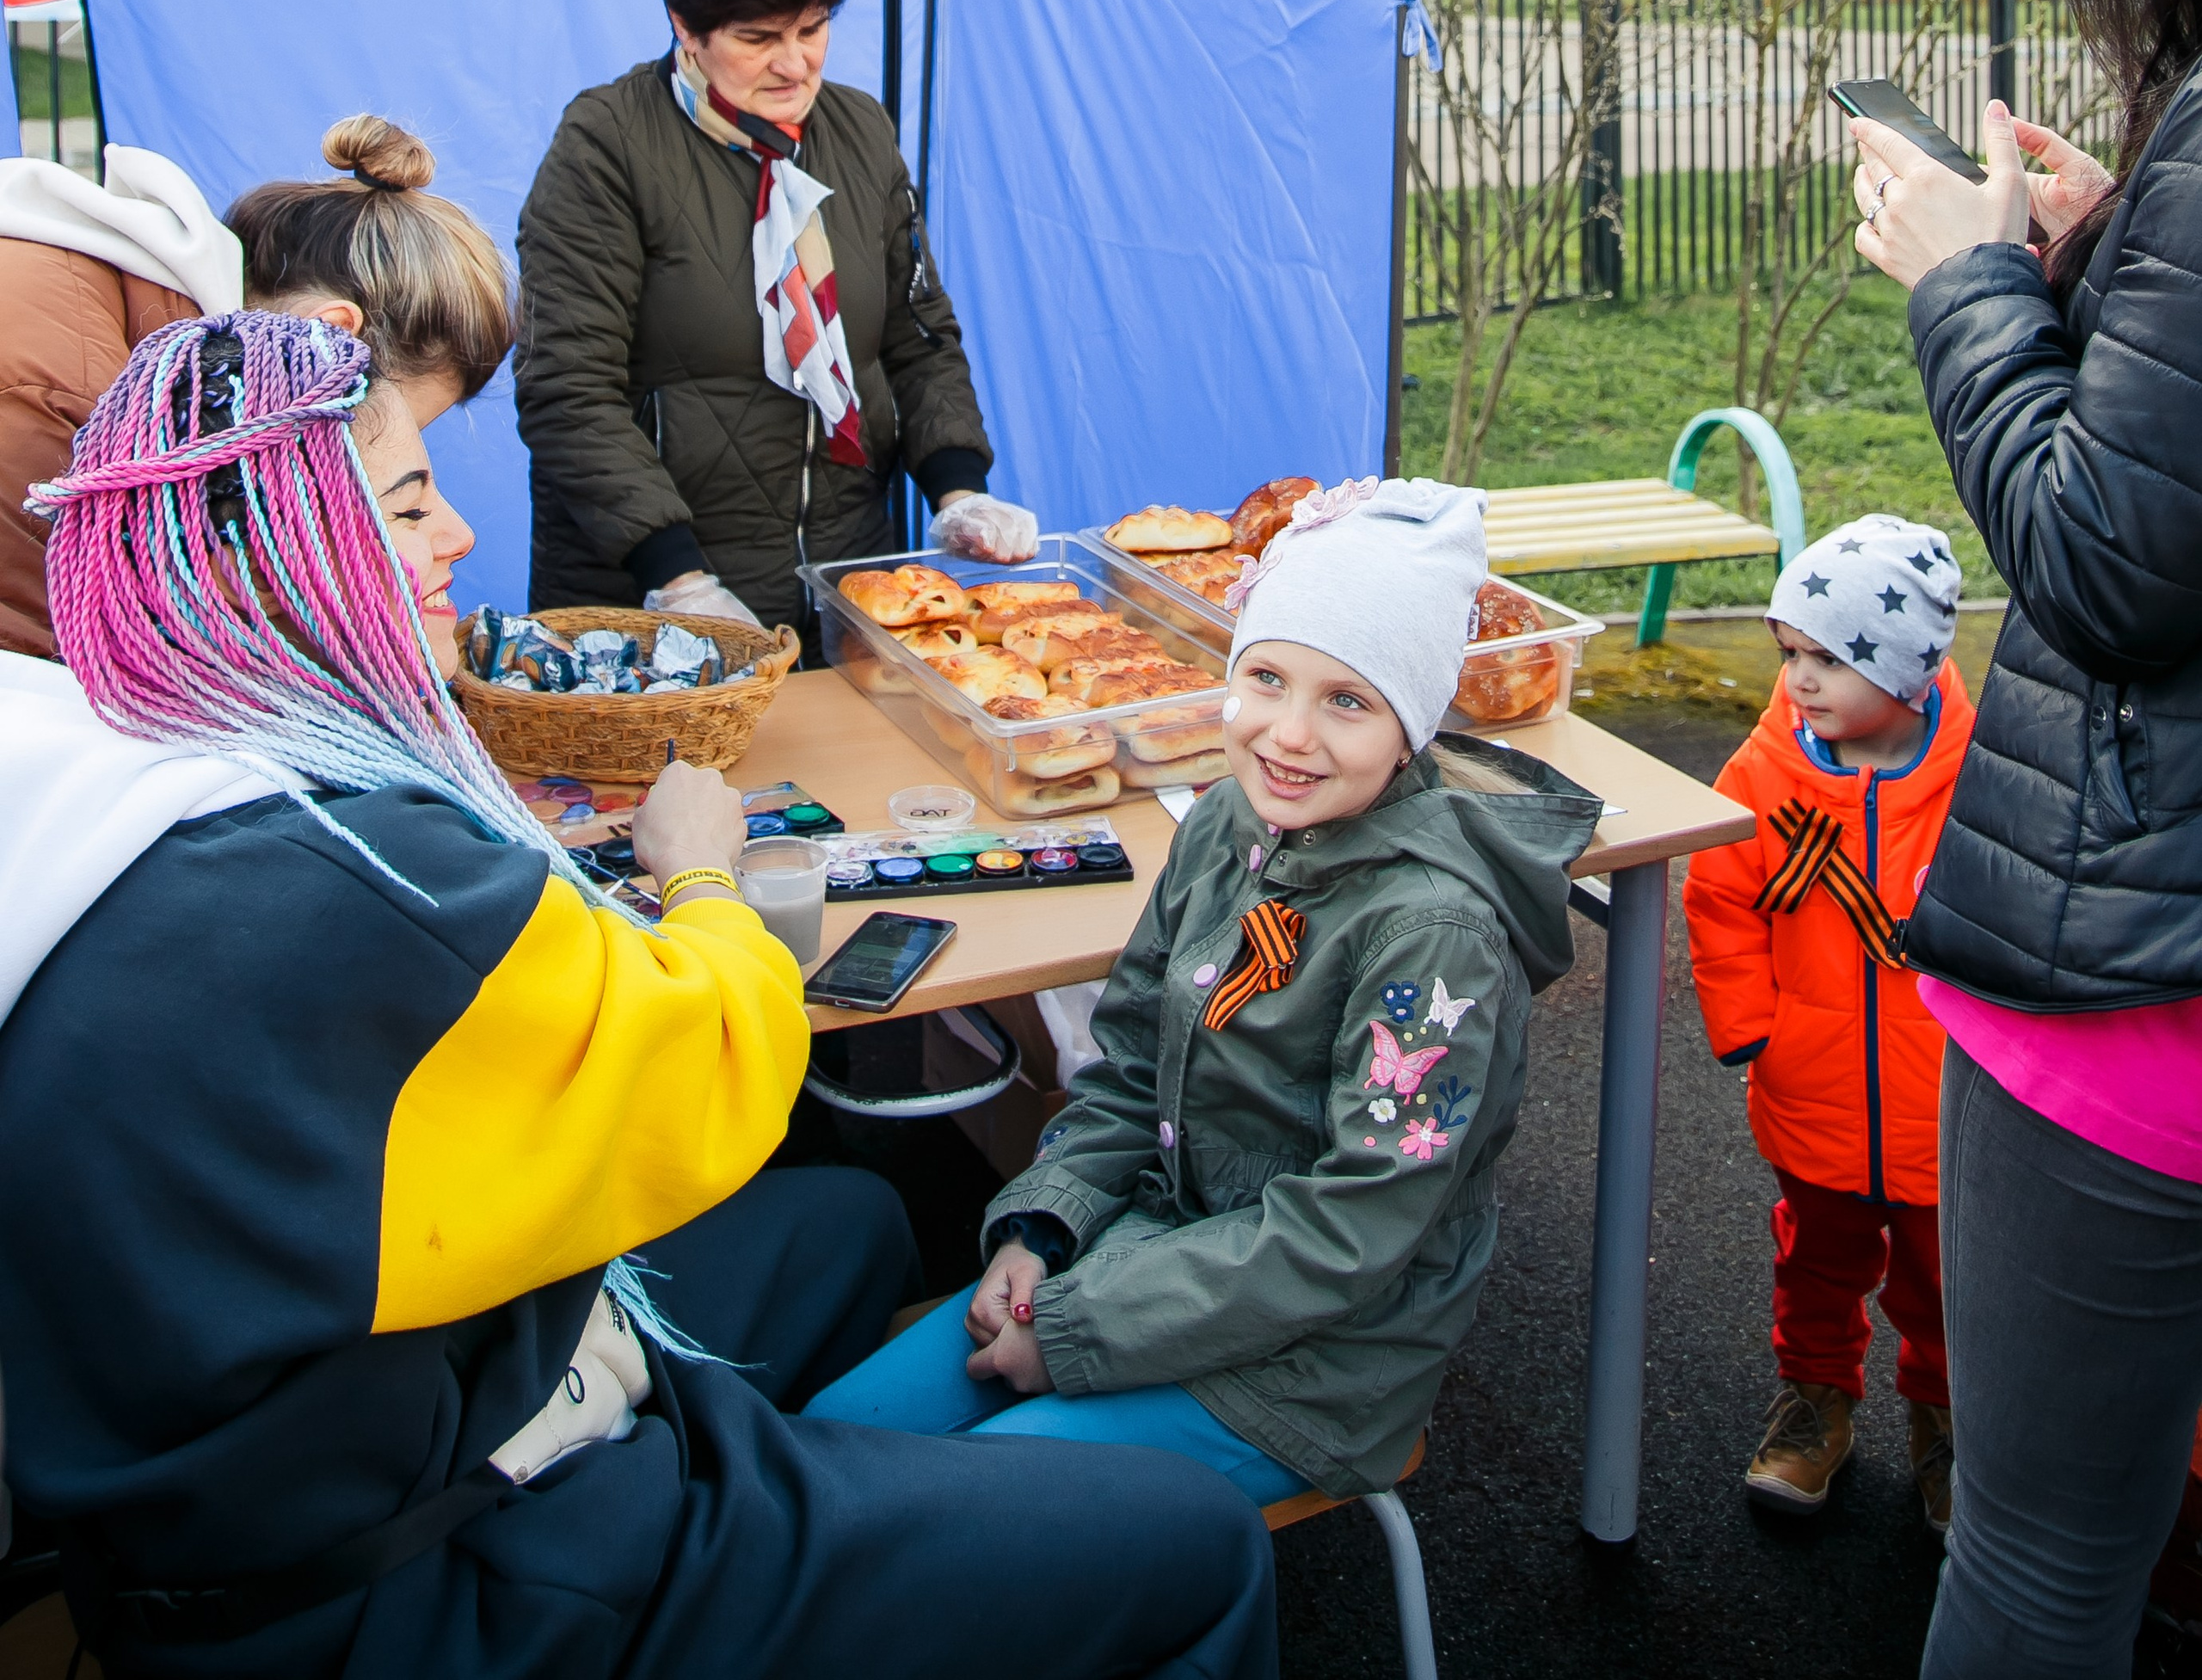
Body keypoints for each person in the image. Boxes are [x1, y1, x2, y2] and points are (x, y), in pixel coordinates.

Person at [0, 309, 1278, 1680]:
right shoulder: (374, 887)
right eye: (414, 500)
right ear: (280, 553)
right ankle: (784, 1548)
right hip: (442, 1574)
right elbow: (712, 1070)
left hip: (224, 1501)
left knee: (847, 1220)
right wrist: (701, 873)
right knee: (1201, 1543)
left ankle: (862, 1532)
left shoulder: (100, 765)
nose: (459, 541)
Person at [803, 478, 1600, 1500]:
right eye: (1265, 677)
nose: (1289, 735)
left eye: (1347, 699)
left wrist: (1086, 1332)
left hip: (1320, 1364)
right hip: (1149, 1246)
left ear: (1411, 725)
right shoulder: (1229, 825)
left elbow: (1357, 1224)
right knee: (833, 1443)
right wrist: (1044, 1225)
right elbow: (1132, 1057)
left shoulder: (1431, 938)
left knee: (933, 1510)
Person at [1850, 0, 2202, 1678]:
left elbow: (2102, 554)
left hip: (2131, 990)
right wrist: (2097, 265)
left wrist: (1969, 285)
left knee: (2035, 1555)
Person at [516, 0, 1032, 637]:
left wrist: (959, 485)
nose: (795, 64)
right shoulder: (606, 145)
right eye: (758, 37)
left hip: (847, 590)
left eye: (812, 28)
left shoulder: (861, 132)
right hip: (649, 609)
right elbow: (567, 386)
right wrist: (676, 575)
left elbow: (918, 334)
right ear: (684, 27)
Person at [1683, 514, 1974, 1532]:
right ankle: (1816, 1404)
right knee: (1814, 1263)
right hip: (1812, 1090)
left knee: (1952, 1282)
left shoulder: (1978, 785)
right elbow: (1720, 895)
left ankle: (1946, 1423)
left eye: (1830, 657)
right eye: (1790, 652)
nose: (1799, 678)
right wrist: (1753, 1024)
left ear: (1904, 668)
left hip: (1948, 1107)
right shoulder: (1766, 774)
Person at [0, 113, 513, 660]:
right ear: (331, 333)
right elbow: (77, 668)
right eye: (377, 449)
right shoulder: (59, 412)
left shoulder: (157, 358)